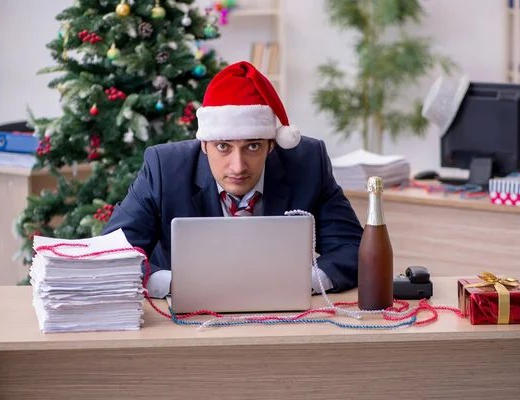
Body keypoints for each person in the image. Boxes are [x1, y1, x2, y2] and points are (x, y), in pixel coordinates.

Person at [101, 61, 363, 299]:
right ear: (204, 144)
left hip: (283, 317)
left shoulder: (307, 162)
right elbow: (114, 254)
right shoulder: (164, 168)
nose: (238, 167)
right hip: (187, 319)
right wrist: (176, 285)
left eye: (252, 147)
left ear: (272, 144)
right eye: (223, 146)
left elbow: (354, 249)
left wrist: (302, 282)